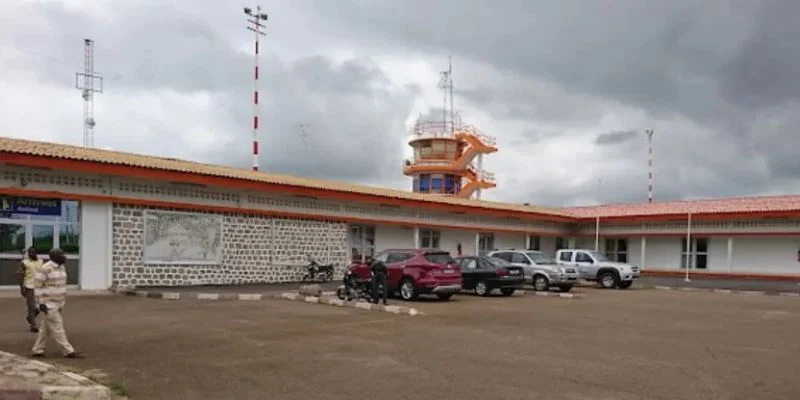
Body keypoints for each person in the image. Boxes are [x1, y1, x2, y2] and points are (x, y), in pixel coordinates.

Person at [31, 248, 79, 359]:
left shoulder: (62, 267)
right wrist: (41, 303)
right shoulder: (44, 269)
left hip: (59, 303)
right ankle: (68, 350)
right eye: (61, 254)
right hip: (49, 304)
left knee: (45, 328)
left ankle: (37, 349)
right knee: (58, 327)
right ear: (54, 257)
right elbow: (37, 287)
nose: (64, 256)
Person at [17, 246, 43, 333]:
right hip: (29, 287)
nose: (31, 254)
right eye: (29, 253)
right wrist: (22, 288)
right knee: (31, 306)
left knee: (40, 307)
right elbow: (20, 276)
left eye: (33, 252)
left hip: (40, 287)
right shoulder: (24, 263)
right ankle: (33, 326)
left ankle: (30, 318)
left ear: (36, 252)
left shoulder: (41, 261)